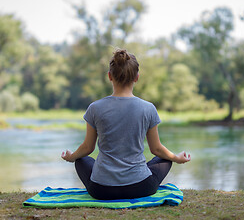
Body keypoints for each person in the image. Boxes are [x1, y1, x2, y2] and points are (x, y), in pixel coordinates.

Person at [61, 49, 191, 200]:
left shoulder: (95, 108)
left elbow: (87, 148)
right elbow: (156, 149)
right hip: (141, 187)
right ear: (137, 77)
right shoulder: (148, 108)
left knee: (81, 159)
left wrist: (72, 156)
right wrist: (176, 157)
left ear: (110, 76)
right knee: (166, 158)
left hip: (101, 190)